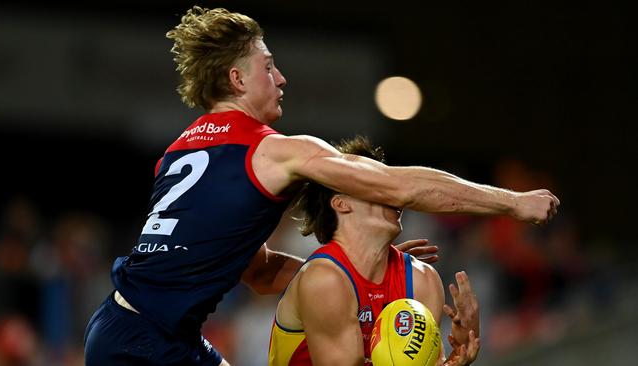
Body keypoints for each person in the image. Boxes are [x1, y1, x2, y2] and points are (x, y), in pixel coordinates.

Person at [83, 6, 559, 366]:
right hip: (144, 341)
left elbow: (259, 272)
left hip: (139, 330)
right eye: (268, 67)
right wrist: (512, 203)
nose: (281, 77)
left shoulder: (180, 152)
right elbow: (399, 187)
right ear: (236, 79)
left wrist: (357, 274)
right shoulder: (270, 150)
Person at [268, 136, 479, 366]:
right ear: (341, 203)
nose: (395, 194)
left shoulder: (422, 279)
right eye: (377, 186)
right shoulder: (324, 279)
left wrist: (455, 360)